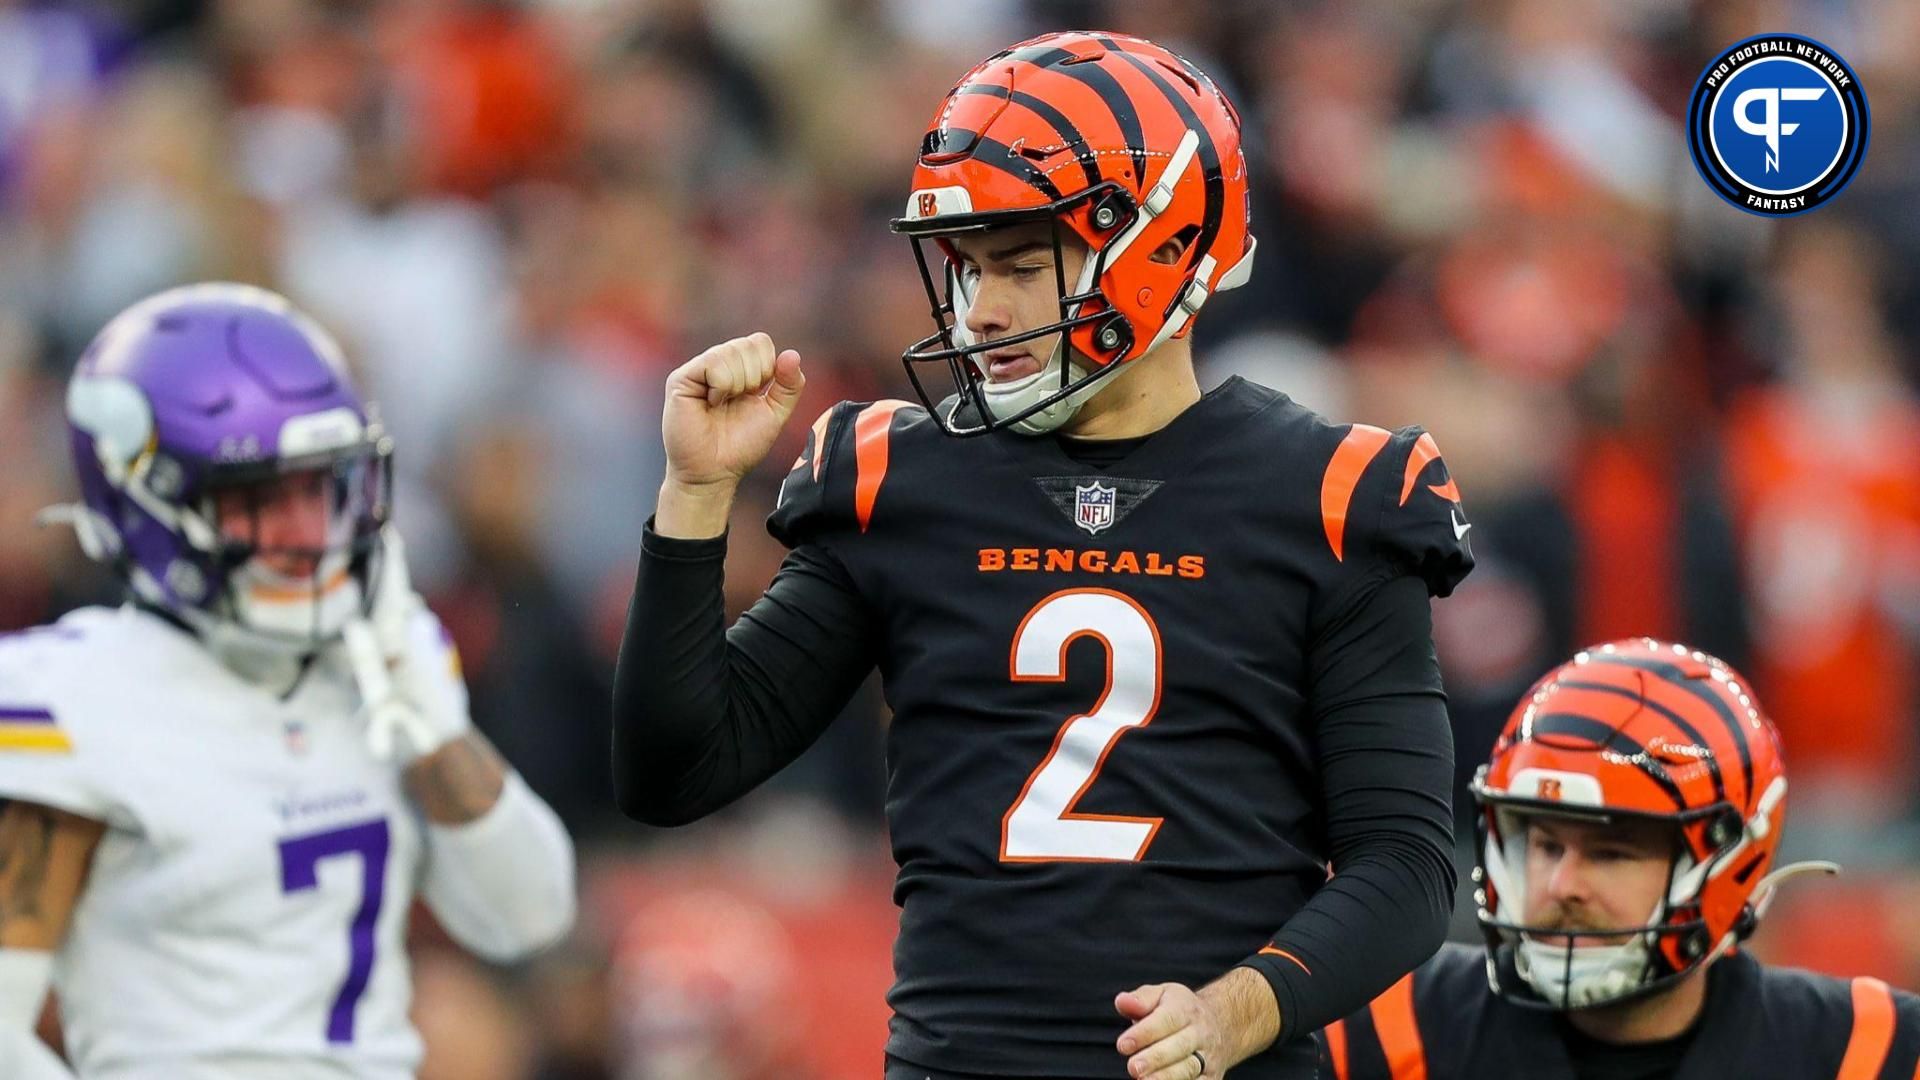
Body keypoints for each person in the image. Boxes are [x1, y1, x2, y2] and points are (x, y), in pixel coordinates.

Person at [615, 30, 1474, 1080]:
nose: (984, 309)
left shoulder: (1331, 496)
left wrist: (1237, 1013)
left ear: (1162, 244)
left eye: (1021, 263)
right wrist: (697, 496)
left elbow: (1408, 865)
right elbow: (678, 769)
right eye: (970, 267)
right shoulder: (902, 480)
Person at [0, 283, 578, 1079]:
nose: (310, 537)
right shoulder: (72, 697)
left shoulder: (387, 659)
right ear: (148, 503)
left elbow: (531, 918)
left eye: (322, 488)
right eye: (259, 501)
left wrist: (437, 735)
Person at [1319, 638, 1920, 1080]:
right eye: (1545, 844)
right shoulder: (1389, 1028)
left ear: (1728, 865)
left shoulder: (1866, 1054)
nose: (1561, 884)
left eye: (1610, 853)